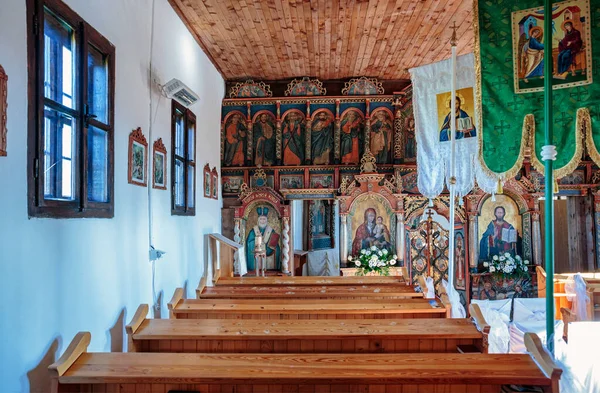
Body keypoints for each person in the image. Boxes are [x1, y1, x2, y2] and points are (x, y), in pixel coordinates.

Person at [245, 206, 281, 271]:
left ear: (267, 220)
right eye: (261, 219)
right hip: (257, 254)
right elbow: (249, 243)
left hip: (269, 254)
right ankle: (254, 269)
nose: (262, 221)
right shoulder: (253, 231)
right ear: (258, 220)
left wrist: (273, 247)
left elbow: (275, 244)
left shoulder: (271, 230)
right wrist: (257, 242)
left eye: (264, 219)